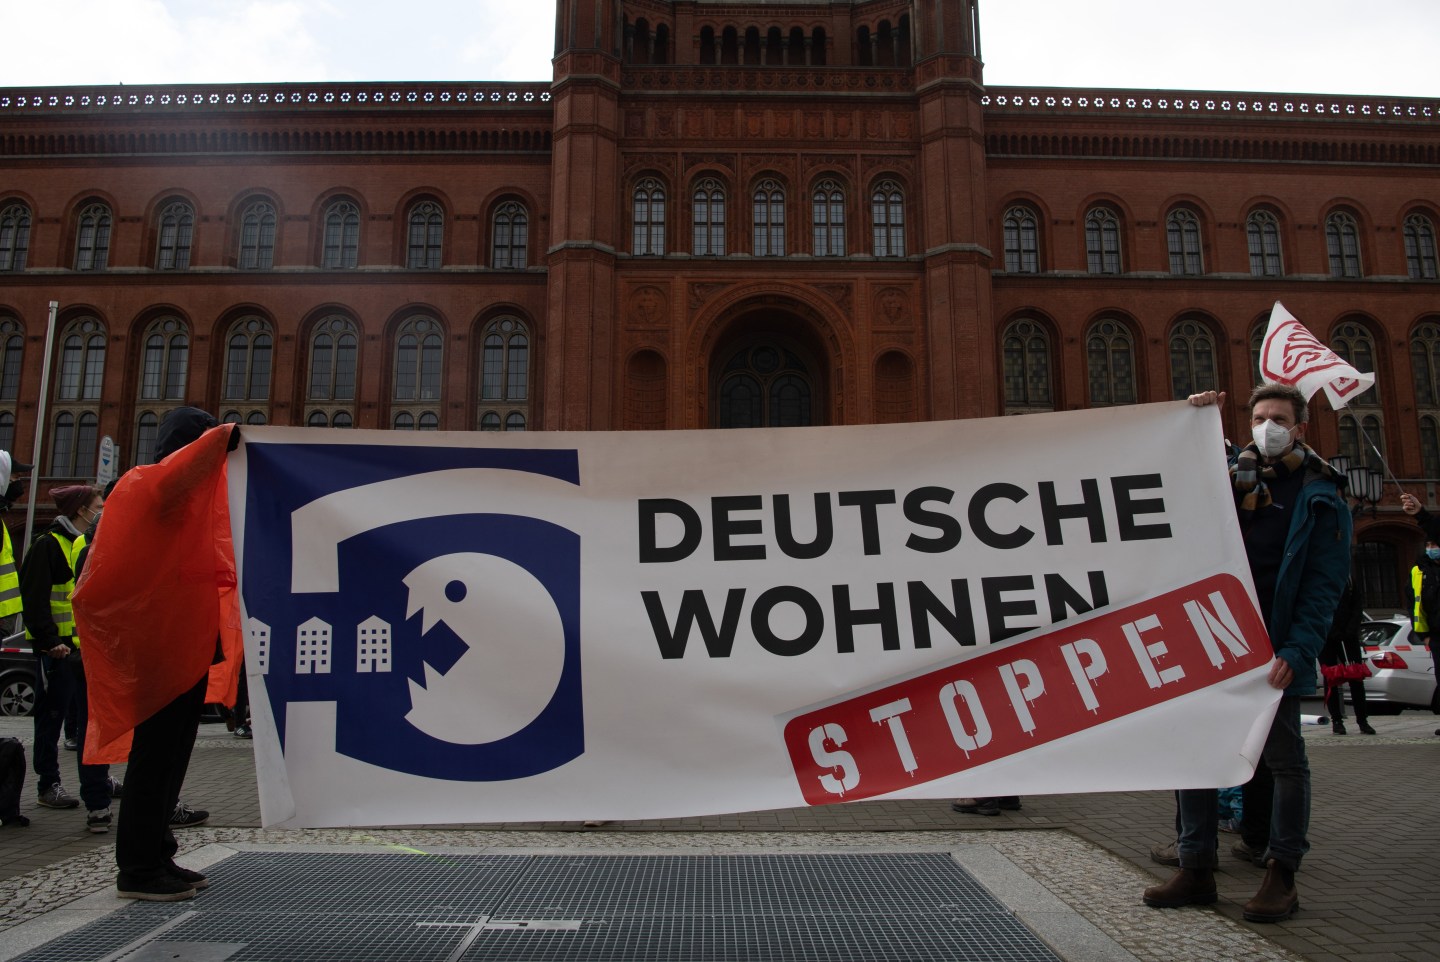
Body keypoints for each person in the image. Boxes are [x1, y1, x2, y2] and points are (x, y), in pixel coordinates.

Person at [1143, 384, 1350, 923]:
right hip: (1213, 638)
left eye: (1278, 418)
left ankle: (1282, 873)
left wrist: (1298, 648)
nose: (1267, 426)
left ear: (1301, 428)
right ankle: (1196, 867)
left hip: (1274, 647)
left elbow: (1323, 586)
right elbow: (1179, 477)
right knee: (1196, 752)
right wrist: (1193, 419)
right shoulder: (1231, 477)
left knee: (1284, 762)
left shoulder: (1320, 493)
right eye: (1259, 417)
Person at [112, 407, 222, 901]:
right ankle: (136, 868)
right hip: (158, 646)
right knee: (153, 756)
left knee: (173, 753)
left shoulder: (191, 501)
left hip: (185, 643)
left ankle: (158, 852)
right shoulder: (148, 486)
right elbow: (177, 478)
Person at [21, 484, 119, 830]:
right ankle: (48, 784)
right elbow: (33, 600)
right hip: (58, 652)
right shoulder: (47, 545)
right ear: (81, 509)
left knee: (87, 722)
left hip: (82, 651)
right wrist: (50, 642)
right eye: (98, 506)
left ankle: (97, 788)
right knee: (50, 718)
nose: (101, 510)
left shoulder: (78, 542)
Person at [1319, 577, 1373, 735]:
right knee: (1331, 679)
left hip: (1349, 636)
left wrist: (1350, 629)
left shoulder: (1349, 580)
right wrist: (1331, 629)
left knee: (1356, 677)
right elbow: (1318, 607)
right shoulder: (1320, 578)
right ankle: (1337, 720)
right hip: (1327, 636)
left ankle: (1362, 720)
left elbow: (1357, 606)